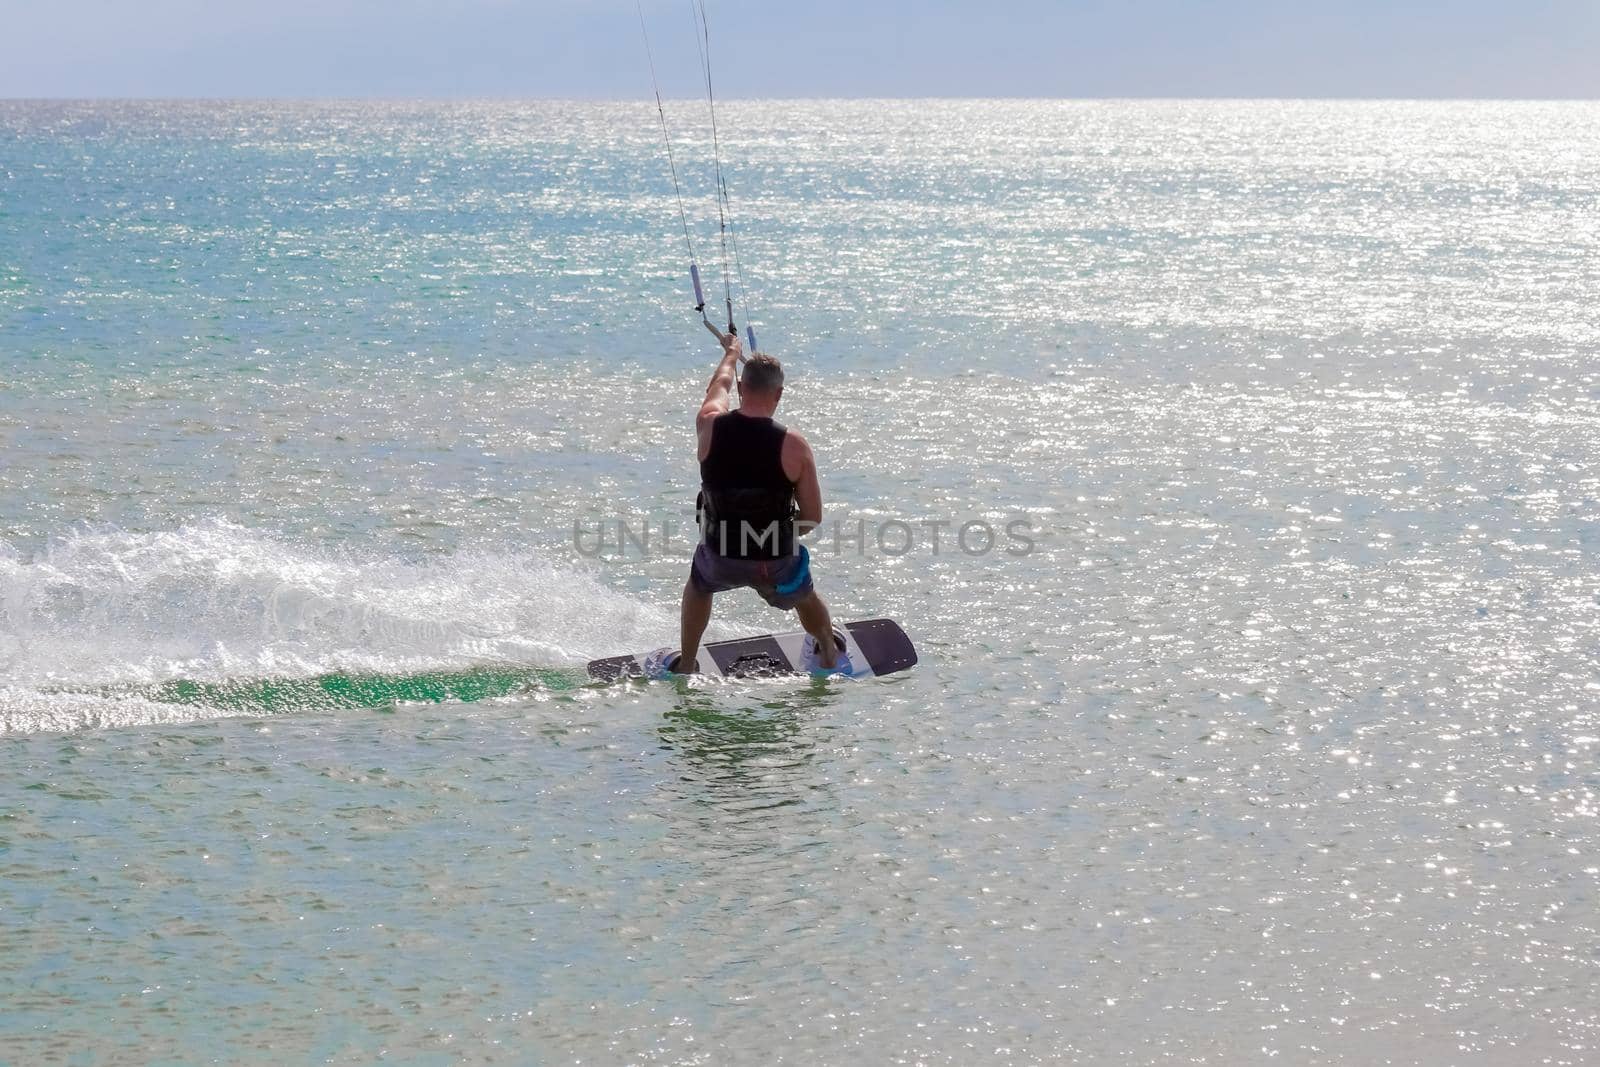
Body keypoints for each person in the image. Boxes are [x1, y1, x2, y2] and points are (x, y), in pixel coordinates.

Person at [652, 328, 848, 676]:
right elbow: (813, 516)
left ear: (743, 388)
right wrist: (774, 537)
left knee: (699, 584)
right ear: (780, 394)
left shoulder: (708, 425)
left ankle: (686, 664)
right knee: (804, 593)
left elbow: (718, 388)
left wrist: (730, 353)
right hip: (774, 561)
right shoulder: (795, 445)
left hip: (720, 554)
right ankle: (829, 654)